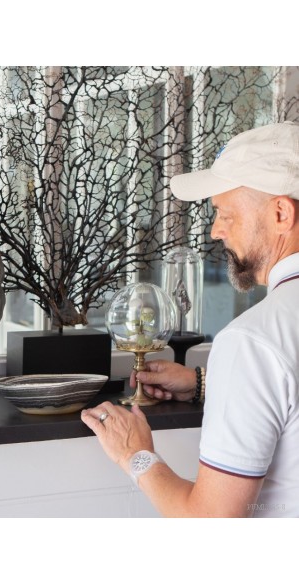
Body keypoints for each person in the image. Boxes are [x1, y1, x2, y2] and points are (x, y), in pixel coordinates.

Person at [81, 121, 299, 517]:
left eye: (225, 214)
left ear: (281, 213)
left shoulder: (253, 341)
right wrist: (206, 383)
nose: (216, 231)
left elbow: (210, 522)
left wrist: (135, 456)